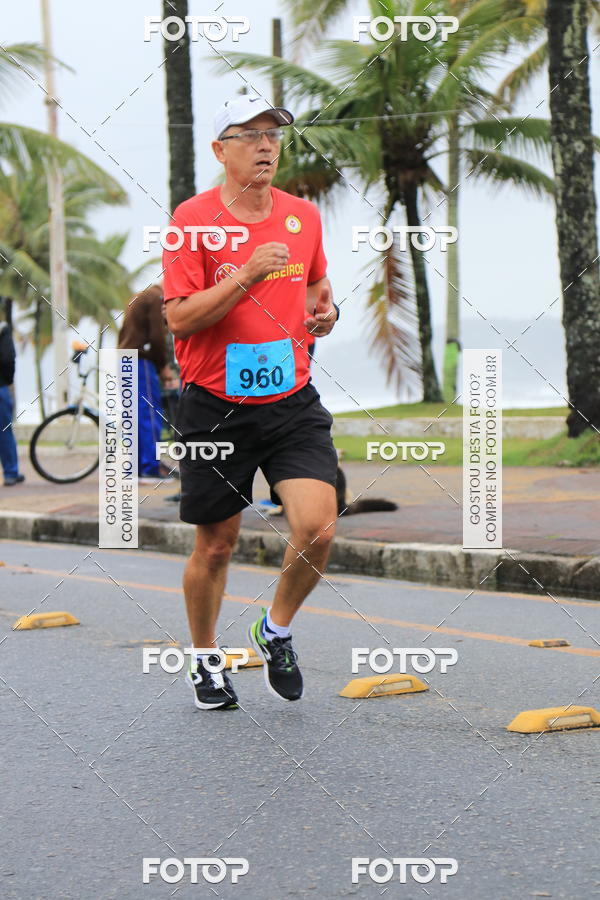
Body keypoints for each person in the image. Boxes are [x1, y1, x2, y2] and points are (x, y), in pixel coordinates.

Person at [163, 95, 340, 710]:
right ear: (220, 150)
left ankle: (276, 630)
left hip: (291, 400)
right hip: (215, 406)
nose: (266, 145)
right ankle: (204, 658)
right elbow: (180, 319)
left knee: (318, 527)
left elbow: (317, 286)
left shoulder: (302, 216)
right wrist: (244, 275)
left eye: (273, 135)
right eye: (249, 134)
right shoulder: (192, 220)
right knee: (216, 544)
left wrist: (326, 314)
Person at [117, 283, 179, 484]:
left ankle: (136, 467)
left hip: (124, 359)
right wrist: (163, 366)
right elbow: (157, 337)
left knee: (133, 415)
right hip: (140, 361)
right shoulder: (156, 298)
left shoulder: (140, 295)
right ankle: (150, 468)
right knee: (149, 414)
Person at [0, 319, 25, 487]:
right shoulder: (2, 328)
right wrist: (7, 380)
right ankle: (10, 473)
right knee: (4, 431)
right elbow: (8, 359)